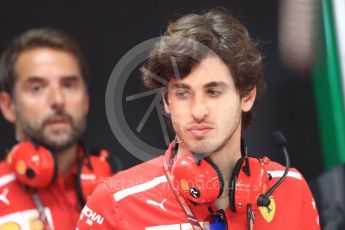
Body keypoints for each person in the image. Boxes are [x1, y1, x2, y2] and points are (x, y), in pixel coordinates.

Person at [77, 9, 320, 230]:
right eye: (182, 93)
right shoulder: (115, 201)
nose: (198, 110)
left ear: (247, 96)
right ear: (166, 102)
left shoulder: (290, 188)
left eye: (213, 92)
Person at [0, 28, 112, 229]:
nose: (58, 100)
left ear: (86, 101)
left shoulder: (120, 191)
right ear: (8, 106)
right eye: (37, 88)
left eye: (68, 85)